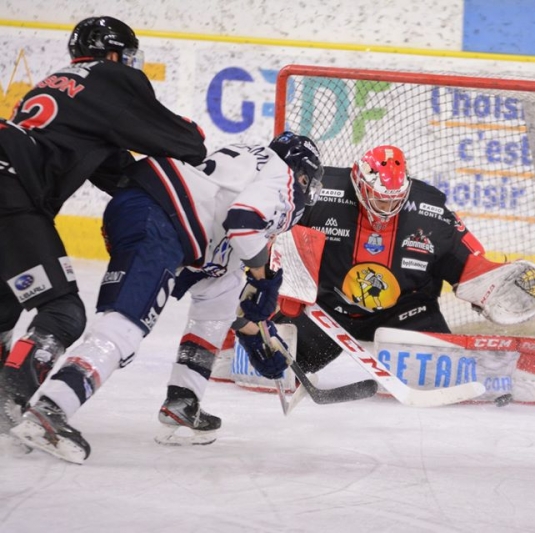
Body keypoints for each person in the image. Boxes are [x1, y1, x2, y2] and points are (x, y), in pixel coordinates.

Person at [10, 132, 323, 463]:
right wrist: (264, 280)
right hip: (161, 219)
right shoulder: (283, 179)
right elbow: (244, 221)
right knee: (127, 326)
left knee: (221, 292)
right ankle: (51, 409)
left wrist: (253, 328)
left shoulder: (249, 163)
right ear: (302, 172)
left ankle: (183, 400)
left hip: (159, 215)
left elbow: (226, 258)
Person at [0, 16, 207, 434]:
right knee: (63, 313)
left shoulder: (56, 84)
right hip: (9, 192)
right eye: (126, 56)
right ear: (112, 53)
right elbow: (185, 143)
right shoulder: (111, 78)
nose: (129, 64)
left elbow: (116, 173)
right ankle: (11, 398)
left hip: (8, 185)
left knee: (4, 308)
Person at [269, 145, 535, 392]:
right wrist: (282, 283)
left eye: (395, 198)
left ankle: (519, 378)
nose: (388, 205)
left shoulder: (430, 209)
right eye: (381, 197)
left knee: (451, 374)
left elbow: (465, 262)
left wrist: (486, 281)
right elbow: (270, 231)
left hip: (405, 314)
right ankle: (235, 348)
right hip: (326, 311)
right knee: (271, 368)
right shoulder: (320, 191)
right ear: (359, 184)